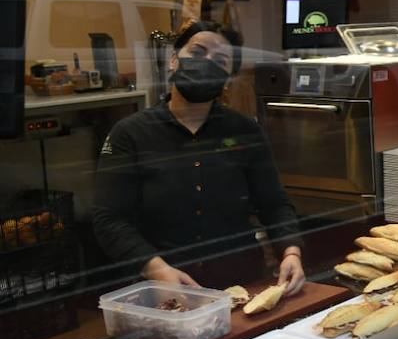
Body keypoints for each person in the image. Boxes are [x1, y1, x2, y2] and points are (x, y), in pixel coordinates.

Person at [92, 19, 305, 295]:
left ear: (227, 78)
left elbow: (274, 204)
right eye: (197, 52)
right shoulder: (131, 134)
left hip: (240, 282)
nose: (206, 62)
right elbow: (109, 219)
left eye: (220, 60)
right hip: (163, 287)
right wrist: (156, 269)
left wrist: (291, 252)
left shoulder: (245, 131)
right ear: (173, 60)